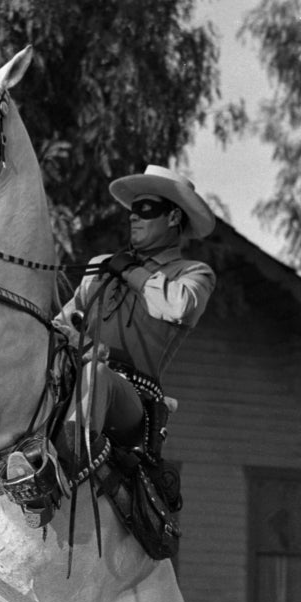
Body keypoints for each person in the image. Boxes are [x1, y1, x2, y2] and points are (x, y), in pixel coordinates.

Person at [55, 164, 217, 451]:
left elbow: (181, 306)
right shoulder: (101, 265)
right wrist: (81, 343)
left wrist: (132, 273)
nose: (133, 215)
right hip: (76, 380)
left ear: (173, 216)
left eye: (145, 208)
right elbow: (62, 323)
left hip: (135, 399)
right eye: (132, 208)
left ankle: (68, 459)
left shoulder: (193, 272)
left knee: (97, 374)